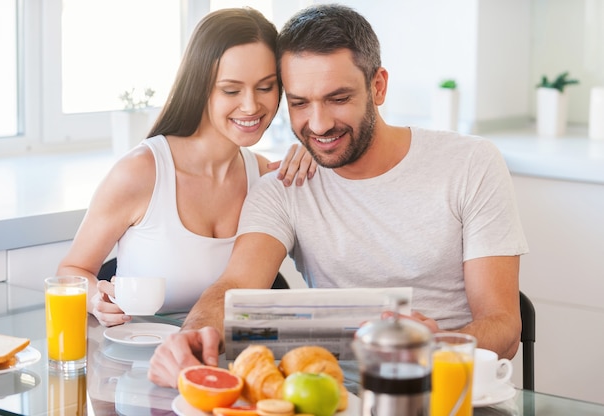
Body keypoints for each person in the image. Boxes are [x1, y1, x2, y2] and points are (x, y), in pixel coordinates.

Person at [148, 4, 529, 388]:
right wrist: (193, 334)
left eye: (338, 98)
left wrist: (429, 347)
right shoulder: (283, 188)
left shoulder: (469, 164)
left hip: (454, 389)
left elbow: (503, 327)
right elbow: (233, 288)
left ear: (377, 87)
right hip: (336, 395)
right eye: (299, 103)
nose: (319, 124)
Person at [56, 8, 316, 328]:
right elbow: (71, 272)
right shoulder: (141, 173)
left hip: (223, 363)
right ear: (201, 87)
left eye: (265, 87)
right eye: (231, 90)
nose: (251, 105)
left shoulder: (265, 176)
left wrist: (317, 158)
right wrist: (97, 299)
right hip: (139, 361)